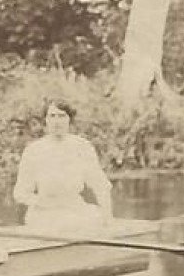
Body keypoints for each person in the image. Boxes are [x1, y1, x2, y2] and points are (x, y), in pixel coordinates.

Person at [12, 98, 113, 231]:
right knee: (58, 226)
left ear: (69, 119)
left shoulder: (82, 147)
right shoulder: (33, 150)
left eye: (62, 116)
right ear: (45, 120)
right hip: (45, 212)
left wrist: (108, 218)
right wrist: (41, 202)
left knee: (92, 220)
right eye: (52, 116)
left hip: (75, 208)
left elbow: (100, 186)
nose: (57, 121)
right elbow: (20, 193)